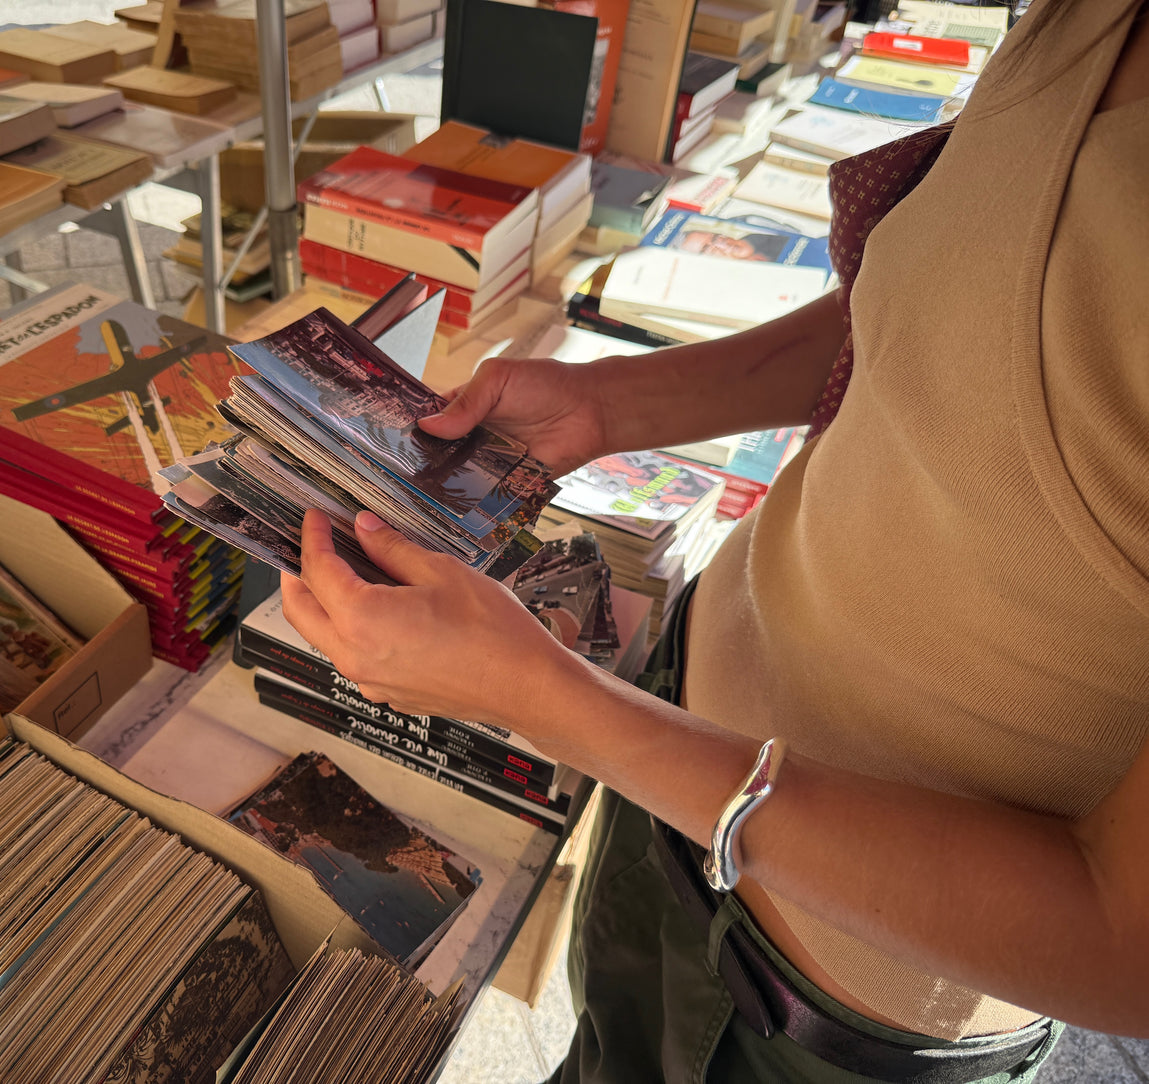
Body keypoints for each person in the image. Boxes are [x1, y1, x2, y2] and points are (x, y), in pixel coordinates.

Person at [280, 1, 1149, 1080]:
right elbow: (951, 308)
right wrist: (612, 405)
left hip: (833, 994)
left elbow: (1124, 943)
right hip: (676, 760)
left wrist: (547, 703)